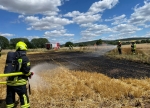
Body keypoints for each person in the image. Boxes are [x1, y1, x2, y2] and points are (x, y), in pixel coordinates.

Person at [5, 41, 33, 108]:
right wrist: (29, 74)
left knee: (10, 97)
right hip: (19, 83)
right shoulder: (24, 57)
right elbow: (26, 71)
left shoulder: (11, 57)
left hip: (10, 83)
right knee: (23, 97)